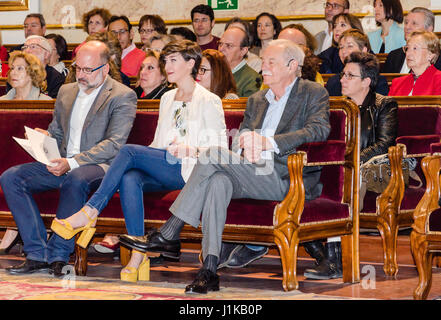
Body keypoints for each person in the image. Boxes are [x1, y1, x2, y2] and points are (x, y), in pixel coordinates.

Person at [118, 39, 331, 294]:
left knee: (211, 155)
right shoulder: (257, 99)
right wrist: (244, 146)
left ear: (292, 65)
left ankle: (170, 232)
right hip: (250, 170)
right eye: (262, 61)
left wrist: (268, 143)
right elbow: (242, 136)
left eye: (270, 62)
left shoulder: (312, 92)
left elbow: (319, 130)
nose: (263, 67)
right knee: (218, 181)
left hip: (284, 175)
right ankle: (209, 270)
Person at [50, 40, 228, 283]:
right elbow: (158, 143)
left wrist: (192, 150)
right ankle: (138, 255)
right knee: (129, 176)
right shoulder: (166, 98)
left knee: (129, 152)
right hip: (165, 162)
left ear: (191, 63)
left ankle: (90, 211)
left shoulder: (209, 100)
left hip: (190, 169)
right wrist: (147, 158)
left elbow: (220, 150)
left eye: (173, 60)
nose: (167, 65)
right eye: (166, 61)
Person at [0, 40, 137, 277]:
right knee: (11, 177)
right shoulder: (67, 90)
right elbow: (58, 132)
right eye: (77, 68)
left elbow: (115, 144)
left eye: (87, 70)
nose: (81, 75)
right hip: (63, 161)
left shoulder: (123, 95)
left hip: (100, 167)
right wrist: (46, 139)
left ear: (105, 68)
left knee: (75, 177)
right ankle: (37, 254)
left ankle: (58, 256)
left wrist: (72, 162)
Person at [304, 51, 398, 280]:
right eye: (342, 74)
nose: (341, 80)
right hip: (339, 167)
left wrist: (348, 161)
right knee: (297, 184)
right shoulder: (335, 106)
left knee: (342, 184)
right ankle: (323, 255)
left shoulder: (384, 104)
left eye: (349, 76)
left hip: (374, 170)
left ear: (366, 81)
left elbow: (384, 145)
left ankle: (336, 262)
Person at [325, 29, 389, 96]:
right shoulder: (333, 81)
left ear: (364, 50)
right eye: (341, 47)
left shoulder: (379, 81)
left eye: (350, 46)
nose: (343, 51)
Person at [382, 7, 441, 73]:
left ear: (429, 29)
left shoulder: (439, 59)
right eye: (406, 23)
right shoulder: (393, 56)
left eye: (414, 23)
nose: (407, 27)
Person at [388, 31, 441, 96]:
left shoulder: (438, 80)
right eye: (407, 48)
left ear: (430, 55)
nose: (408, 53)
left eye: (415, 48)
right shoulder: (397, 83)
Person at [218, 27, 261, 97]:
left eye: (229, 45)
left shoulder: (252, 80)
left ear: (243, 51)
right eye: (220, 44)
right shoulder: (212, 72)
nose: (221, 49)